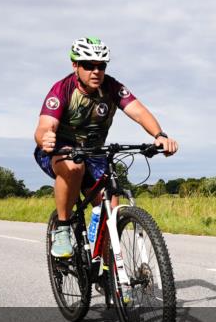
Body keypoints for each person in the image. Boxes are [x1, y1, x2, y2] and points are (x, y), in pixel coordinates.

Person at [34, 37, 178, 258]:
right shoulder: (62, 89)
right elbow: (45, 126)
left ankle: (103, 265)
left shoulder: (112, 87)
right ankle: (62, 228)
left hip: (93, 152)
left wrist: (159, 135)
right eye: (89, 65)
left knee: (111, 204)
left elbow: (138, 112)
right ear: (75, 66)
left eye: (101, 66)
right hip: (59, 149)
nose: (96, 71)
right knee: (73, 168)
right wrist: (46, 138)